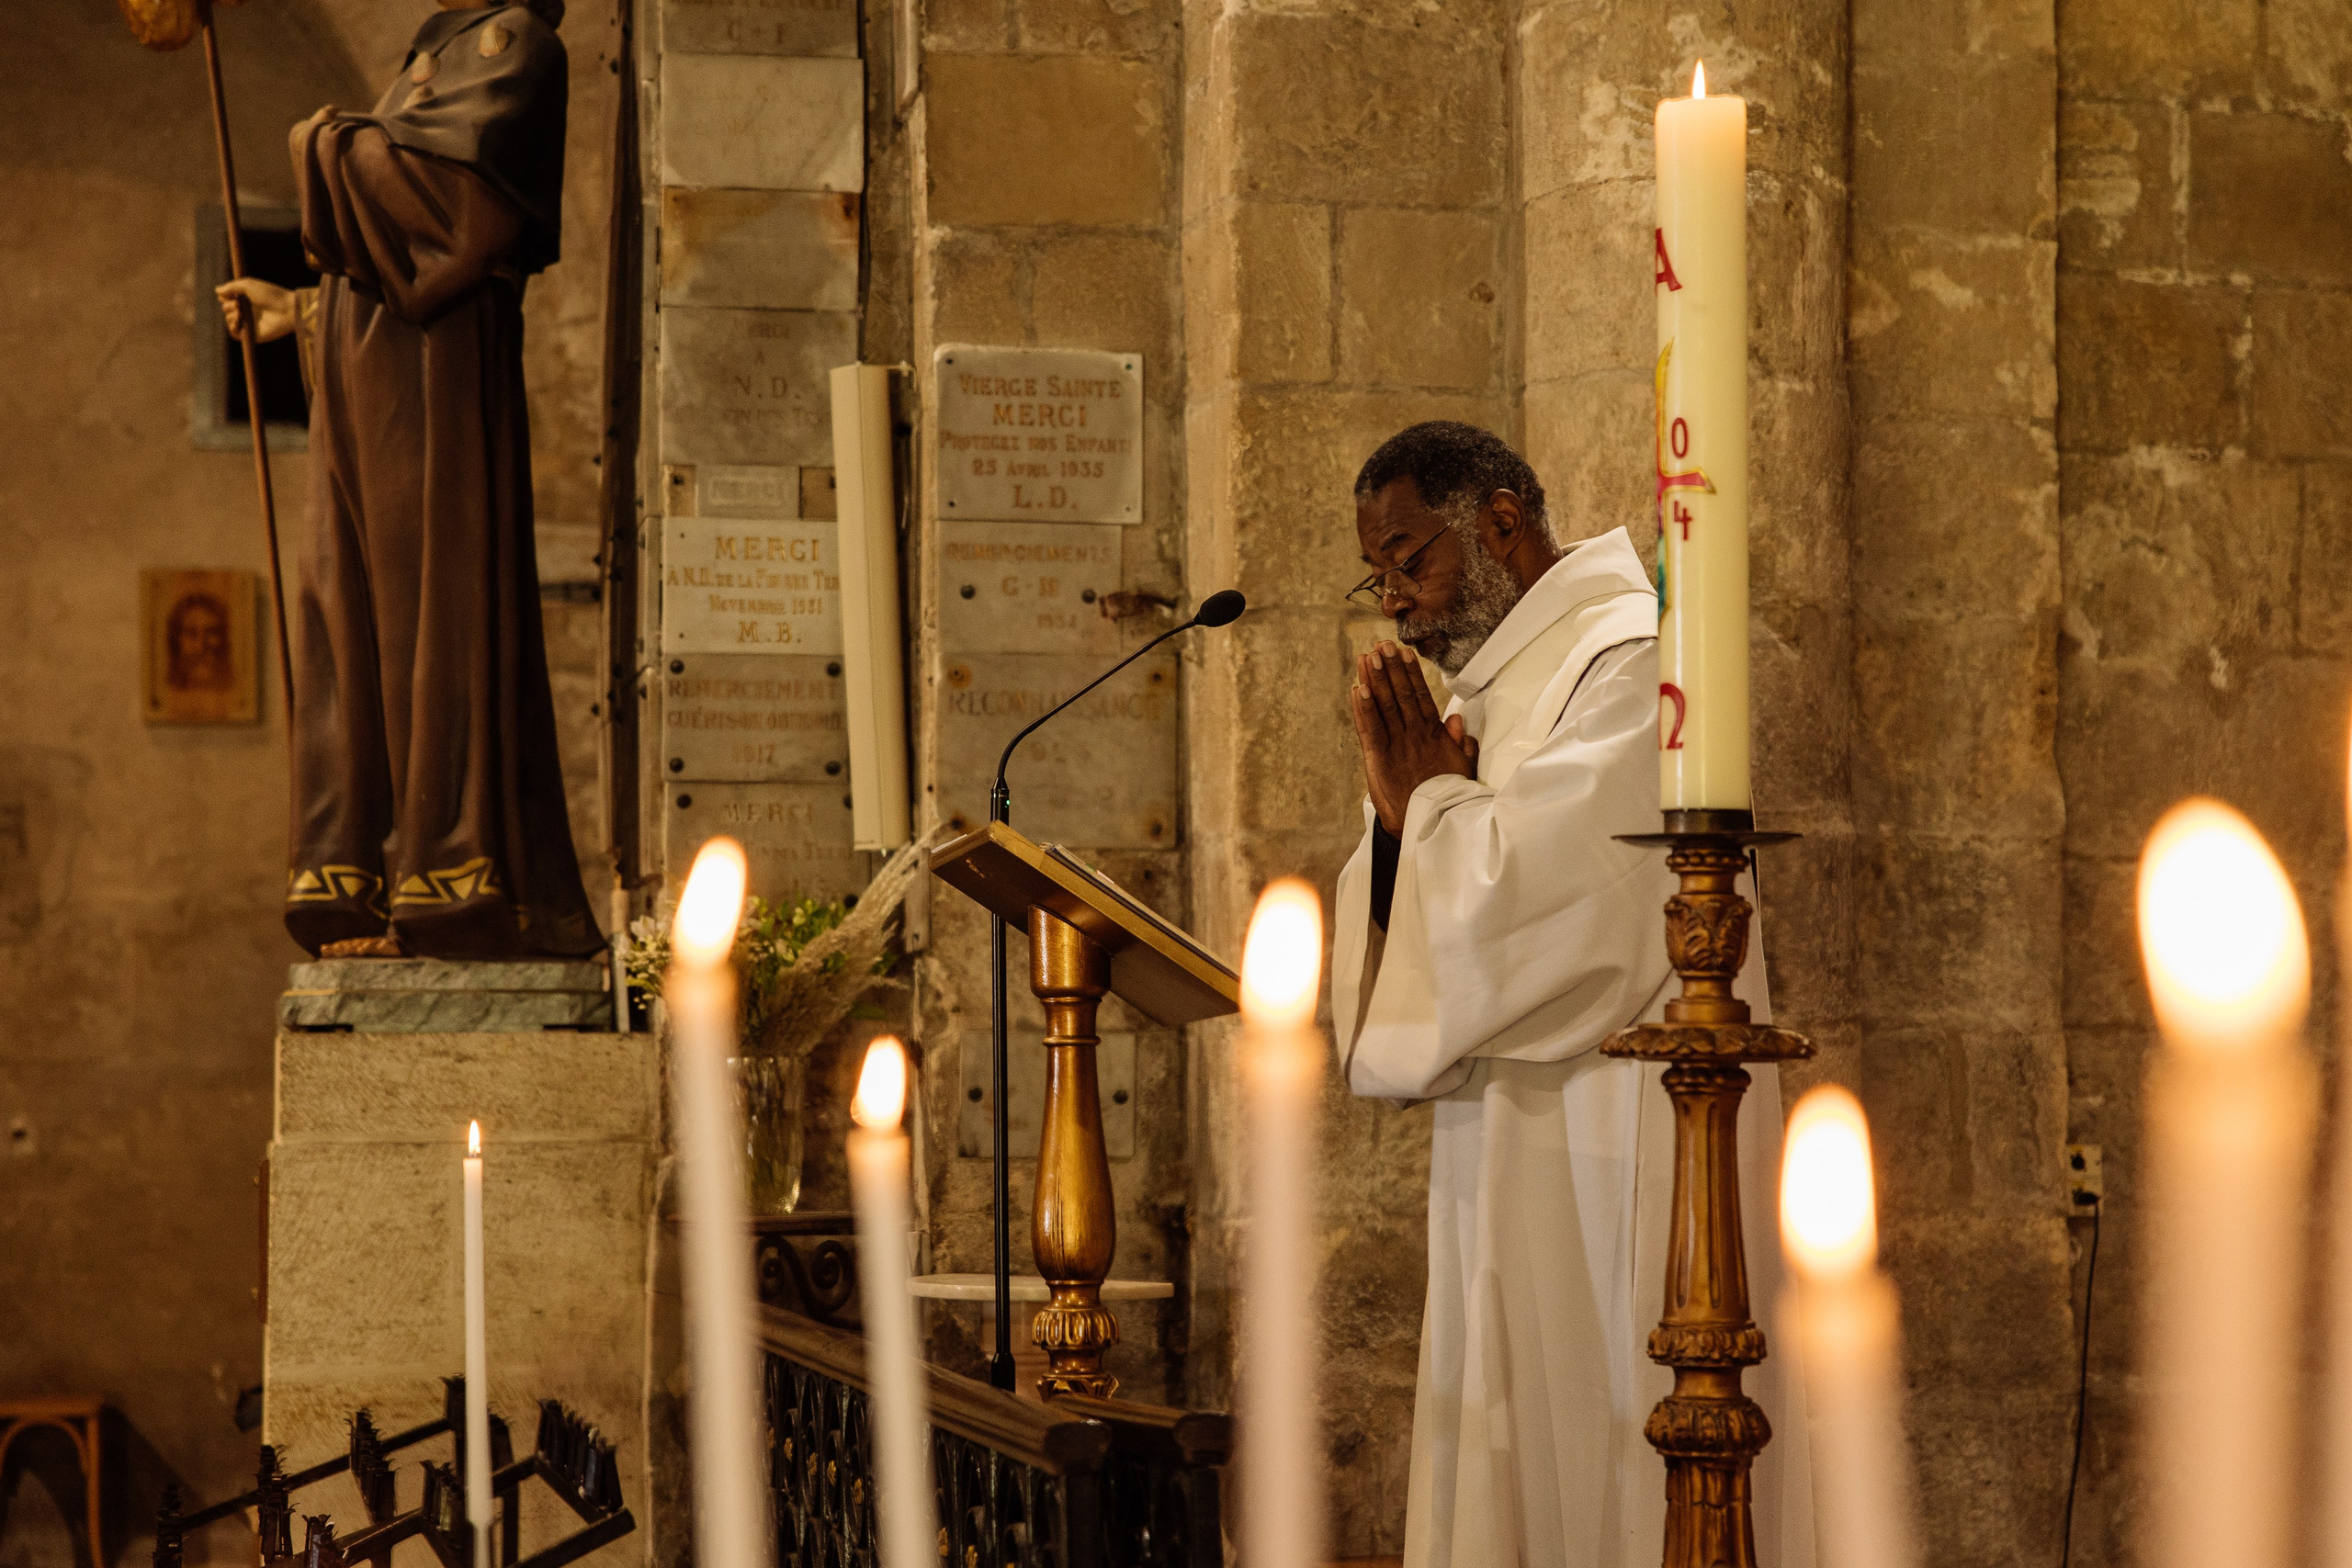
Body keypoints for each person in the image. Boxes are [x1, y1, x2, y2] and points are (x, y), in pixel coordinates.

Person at [1332, 423, 1812, 1568]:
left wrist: (1427, 813)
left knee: (1613, 1458)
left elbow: (1569, 912)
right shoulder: (1493, 691)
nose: (1396, 602)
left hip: (1623, 1139)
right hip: (1504, 1147)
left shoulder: (1631, 661)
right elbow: (1426, 903)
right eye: (1379, 576)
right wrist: (1412, 819)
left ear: (1500, 521)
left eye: (1411, 559)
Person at [216, 0, 600, 960]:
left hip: (433, 394)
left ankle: (446, 879)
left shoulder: (515, 50)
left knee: (430, 614)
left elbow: (450, 233)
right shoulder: (439, 49)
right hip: (378, 385)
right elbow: (390, 267)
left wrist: (323, 140)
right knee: (353, 613)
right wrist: (303, 316)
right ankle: (376, 874)